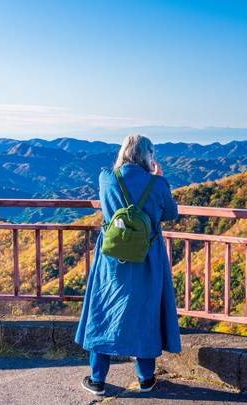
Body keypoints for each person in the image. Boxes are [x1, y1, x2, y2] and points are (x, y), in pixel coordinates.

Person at [75, 134, 181, 395]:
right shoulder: (157, 184)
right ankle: (146, 378)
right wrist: (159, 178)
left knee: (104, 309)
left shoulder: (106, 179)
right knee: (146, 312)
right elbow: (171, 213)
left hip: (112, 259)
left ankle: (97, 379)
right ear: (148, 156)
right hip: (147, 259)